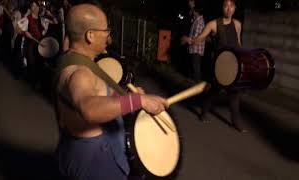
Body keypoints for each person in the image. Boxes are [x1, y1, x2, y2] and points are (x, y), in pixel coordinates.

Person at [54, 4, 168, 180]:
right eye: (106, 30)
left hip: (78, 149)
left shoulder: (70, 56)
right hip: (96, 161)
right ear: (90, 35)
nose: (109, 36)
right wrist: (139, 101)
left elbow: (99, 94)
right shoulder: (80, 73)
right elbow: (89, 108)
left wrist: (127, 94)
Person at [189, 0, 246, 132]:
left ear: (235, 8)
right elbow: (202, 37)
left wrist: (242, 59)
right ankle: (203, 114)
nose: (229, 8)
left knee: (234, 93)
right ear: (222, 8)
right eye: (226, 5)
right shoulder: (213, 24)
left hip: (233, 64)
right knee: (213, 91)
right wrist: (191, 40)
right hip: (219, 65)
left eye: (231, 6)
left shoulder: (237, 24)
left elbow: (238, 42)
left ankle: (235, 122)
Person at [181, 2, 205, 81]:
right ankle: (194, 84)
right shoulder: (196, 21)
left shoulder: (199, 22)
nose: (192, 12)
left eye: (193, 11)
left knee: (196, 69)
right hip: (194, 48)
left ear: (196, 12)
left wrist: (186, 39)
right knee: (194, 68)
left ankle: (197, 86)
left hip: (196, 49)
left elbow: (196, 39)